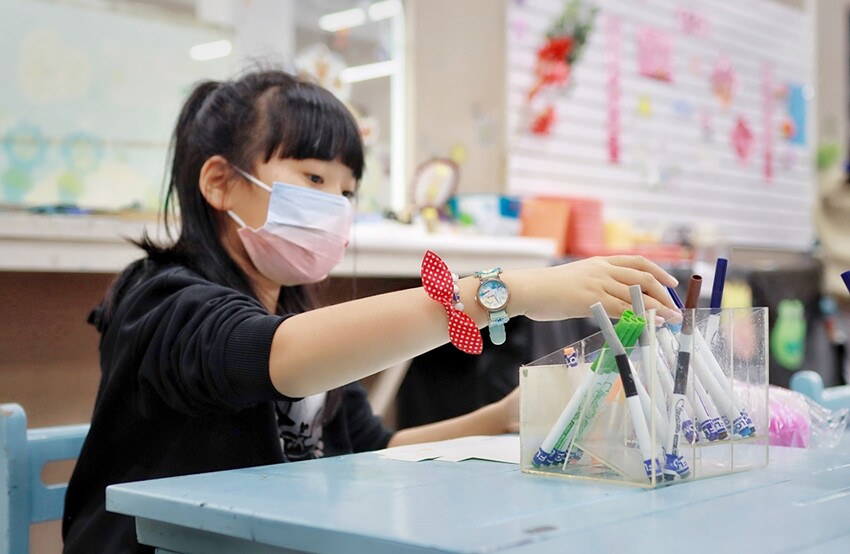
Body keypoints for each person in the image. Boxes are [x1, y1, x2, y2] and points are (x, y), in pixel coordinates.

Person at [61, 68, 680, 552]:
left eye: (348, 190)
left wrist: (502, 416)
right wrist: (506, 292)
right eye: (314, 179)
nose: (336, 206)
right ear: (220, 182)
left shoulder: (296, 309)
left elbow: (374, 446)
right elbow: (276, 357)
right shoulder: (159, 300)